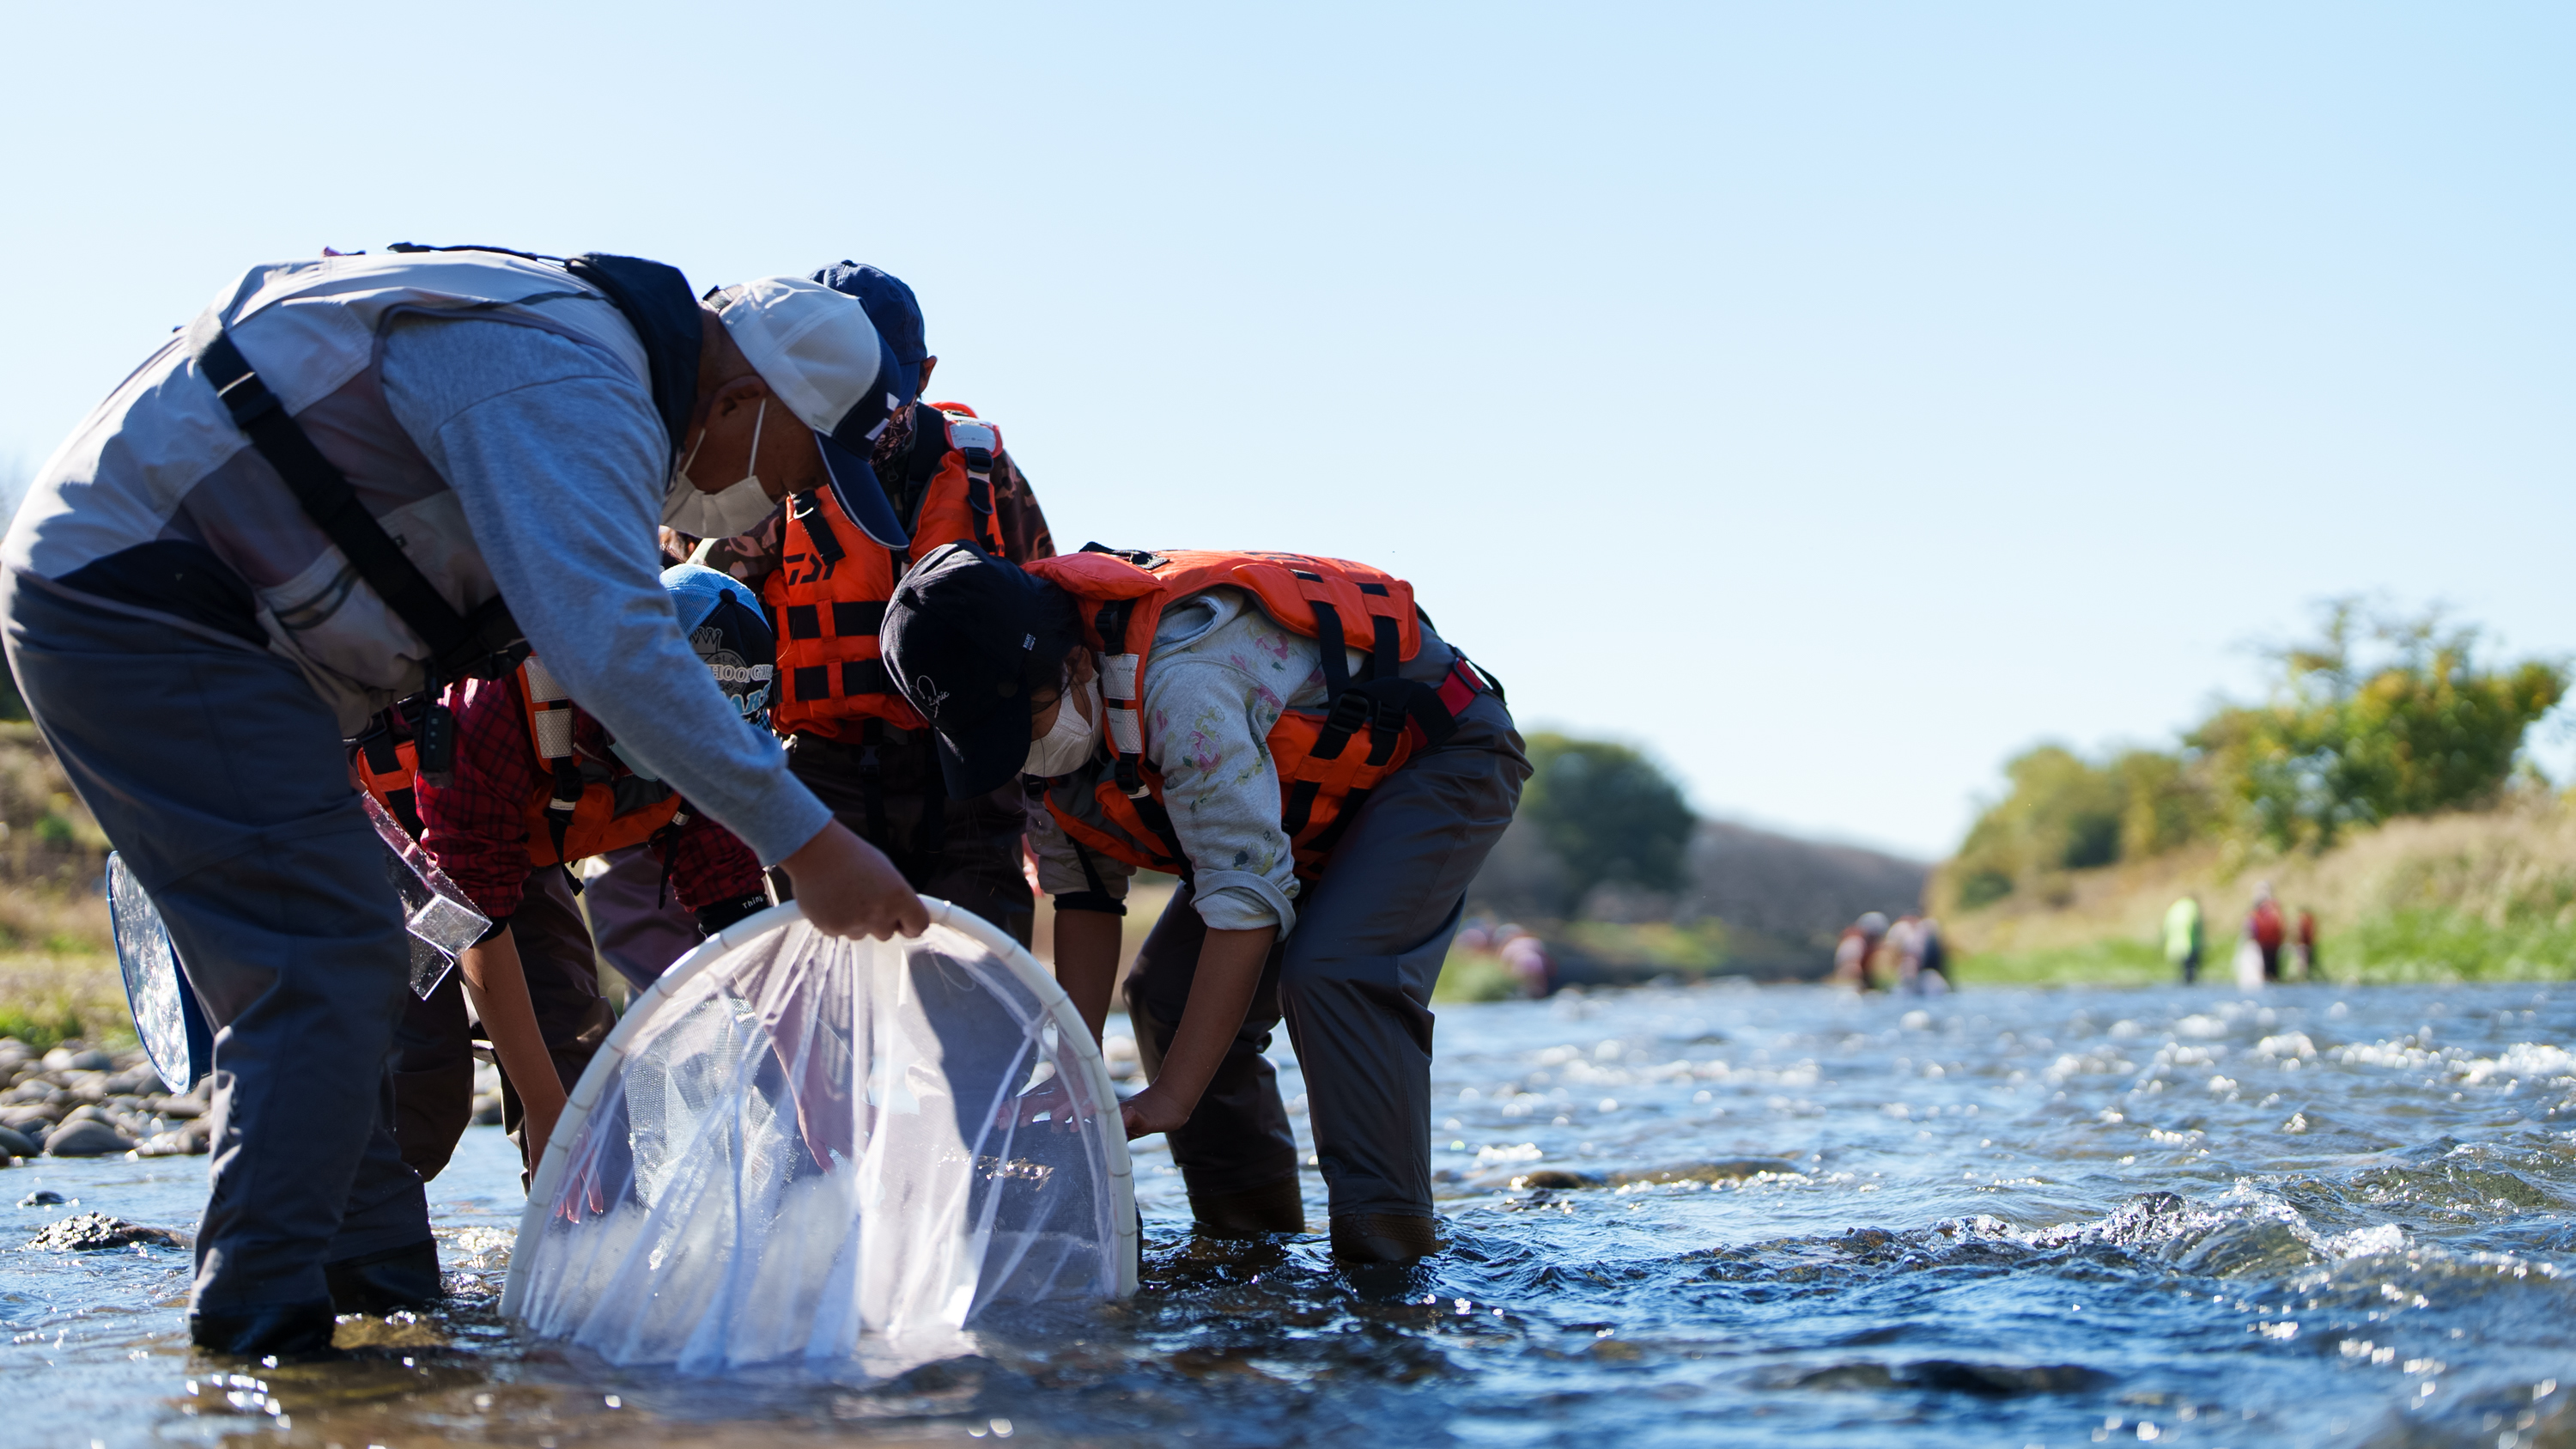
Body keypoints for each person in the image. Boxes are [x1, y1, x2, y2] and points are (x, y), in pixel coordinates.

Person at [2, 247, 928, 1358]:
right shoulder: (577, 378)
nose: (783, 501)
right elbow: (612, 647)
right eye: (796, 467)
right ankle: (251, 1340)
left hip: (240, 642)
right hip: (140, 592)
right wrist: (814, 845)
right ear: (739, 397)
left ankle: (386, 1307)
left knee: (360, 973)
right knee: (329, 962)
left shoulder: (597, 367)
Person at [878, 543, 1526, 1263]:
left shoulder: (1185, 687)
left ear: (1076, 664)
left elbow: (1243, 900)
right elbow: (1085, 895)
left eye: (1020, 723)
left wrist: (1170, 1098)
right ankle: (1247, 1240)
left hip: (1439, 752)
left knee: (1334, 973)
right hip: (1300, 808)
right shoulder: (1042, 726)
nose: (1018, 753)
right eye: (985, 742)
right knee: (1164, 994)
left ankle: (1389, 1257)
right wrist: (1073, 1072)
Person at [694, 262, 1055, 948]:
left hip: (970, 768)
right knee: (828, 994)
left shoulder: (985, 472)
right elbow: (706, 627)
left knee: (976, 981)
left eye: (897, 383)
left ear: (925, 375)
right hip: (821, 774)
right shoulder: (773, 476)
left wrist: (1042, 798)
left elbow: (1041, 624)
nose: (879, 406)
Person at [384, 565, 780, 1183]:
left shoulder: (707, 757)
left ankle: (580, 1262)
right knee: (421, 1085)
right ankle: (350, 1261)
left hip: (509, 849)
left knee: (587, 1108)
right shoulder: (502, 700)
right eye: (688, 733)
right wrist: (543, 1109)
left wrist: (808, 1093)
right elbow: (472, 923)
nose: (698, 756)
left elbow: (741, 920)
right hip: (385, 838)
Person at [1832, 911, 1889, 989]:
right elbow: (1851, 970)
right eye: (1873, 937)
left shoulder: (1876, 947)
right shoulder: (1853, 944)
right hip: (1847, 986)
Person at [2247, 884, 2286, 982]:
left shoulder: (2266, 909)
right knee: (2270, 964)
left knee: (2269, 964)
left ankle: (2270, 980)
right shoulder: (2273, 908)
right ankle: (2272, 979)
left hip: (2268, 941)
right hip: (2270, 941)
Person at [2164, 894, 2204, 984]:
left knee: (2181, 966)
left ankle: (2182, 982)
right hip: (2189, 941)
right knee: (2190, 967)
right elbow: (2197, 924)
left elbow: (2166, 926)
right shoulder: (2193, 906)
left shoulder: (2175, 906)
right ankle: (2190, 983)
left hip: (2174, 941)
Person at [2293, 907, 2318, 981]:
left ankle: (2303, 976)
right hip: (2305, 944)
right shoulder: (2307, 921)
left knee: (2303, 962)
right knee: (2303, 962)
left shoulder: (2304, 921)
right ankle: (2303, 976)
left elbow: (2302, 934)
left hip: (2304, 944)